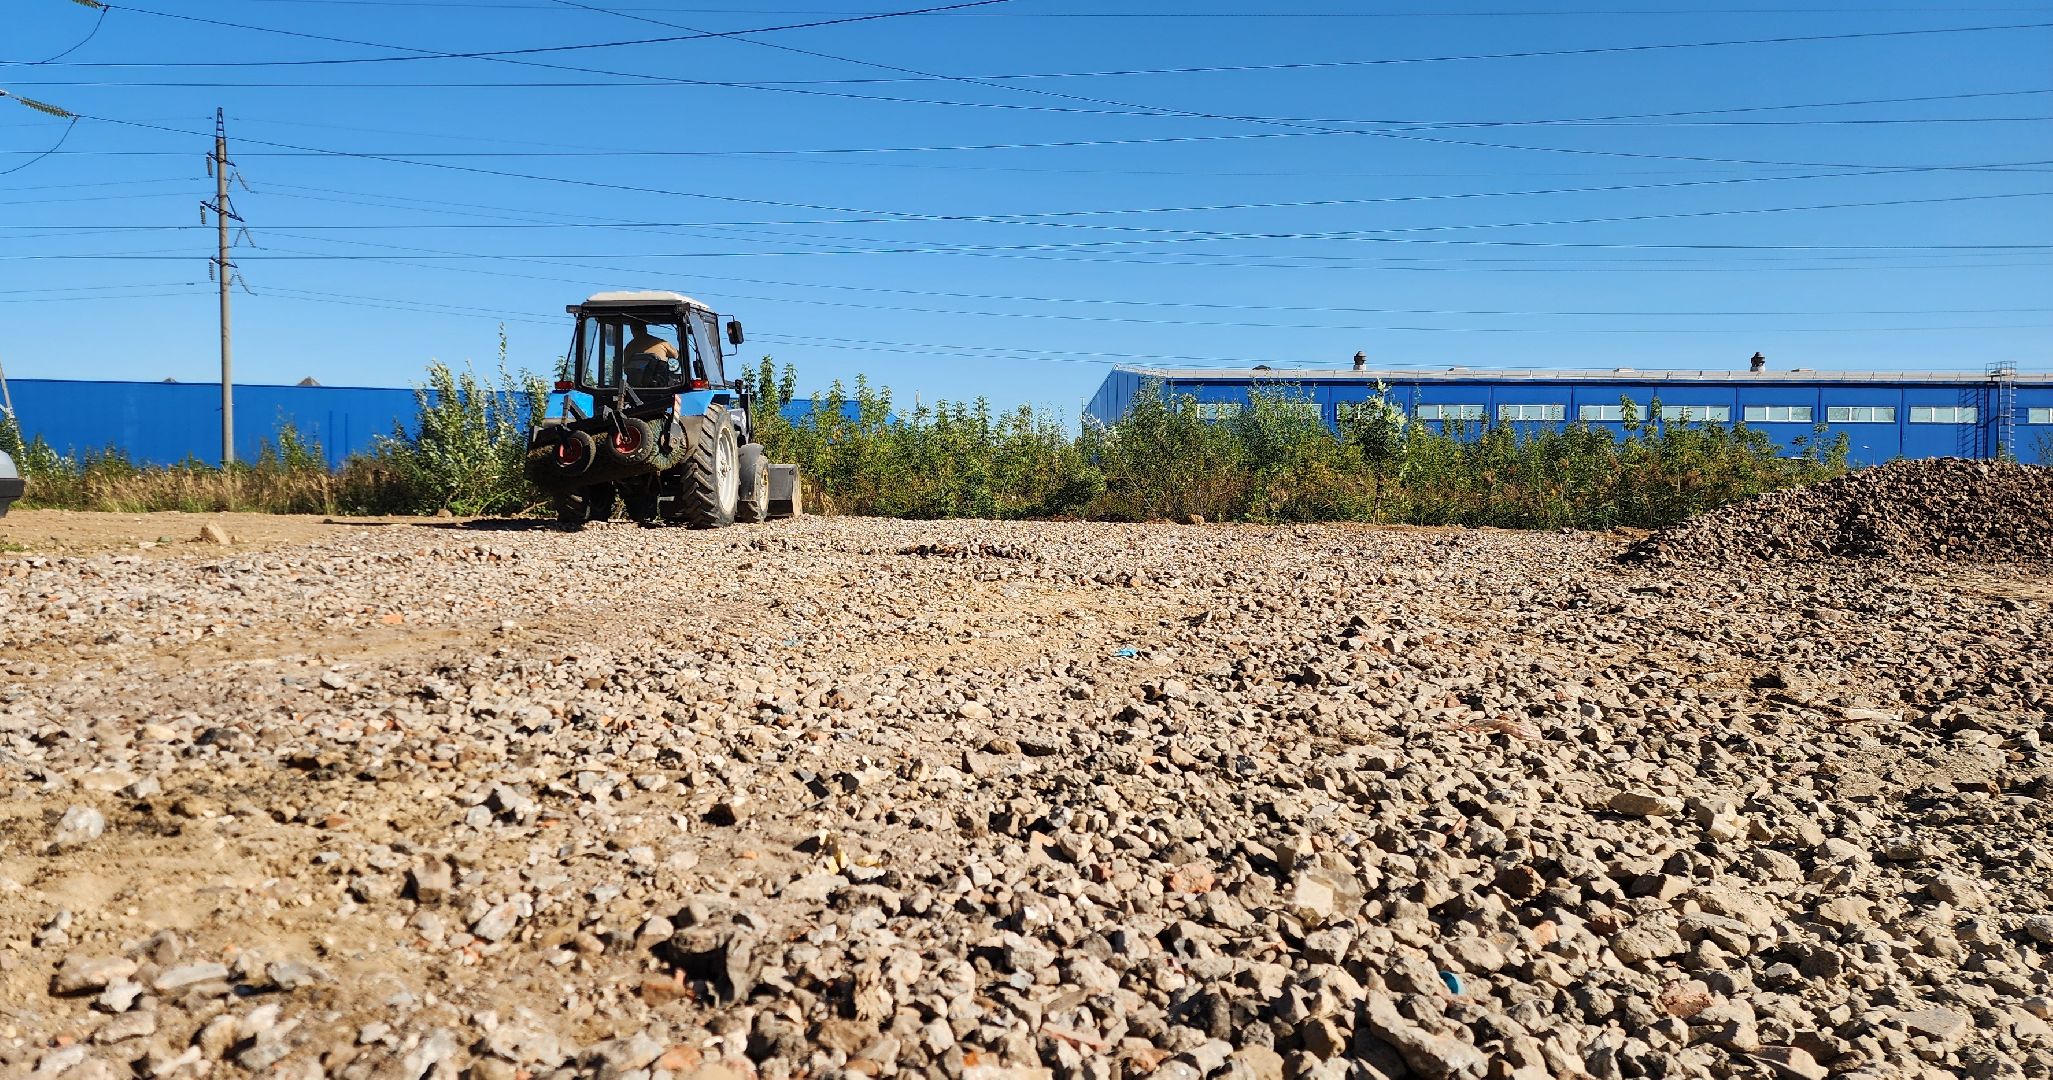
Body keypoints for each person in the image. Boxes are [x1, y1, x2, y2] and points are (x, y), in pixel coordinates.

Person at [622, 319, 679, 387]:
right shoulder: (660, 343)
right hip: (660, 385)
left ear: (632, 331)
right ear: (645, 329)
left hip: (636, 387)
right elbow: (676, 355)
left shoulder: (629, 347)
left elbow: (625, 369)